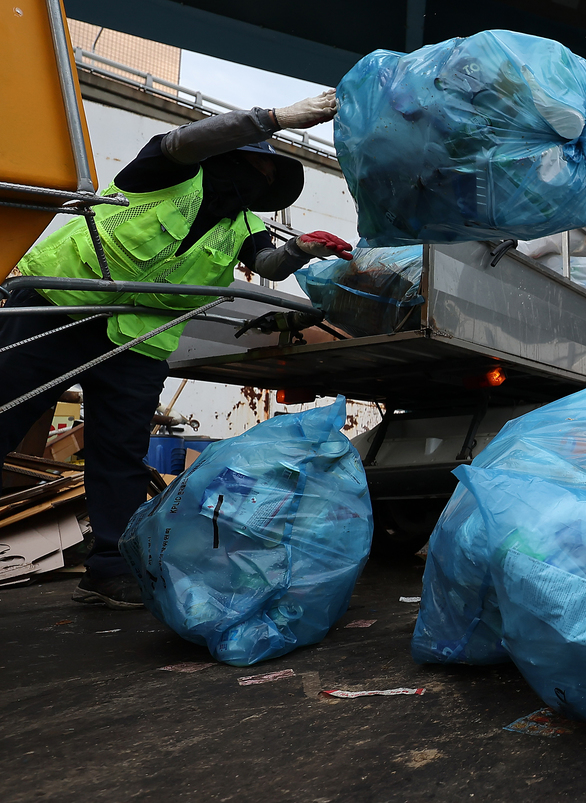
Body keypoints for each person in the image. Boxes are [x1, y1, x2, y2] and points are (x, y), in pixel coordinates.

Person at [0, 90, 356, 610]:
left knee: (119, 453)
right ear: (228, 156)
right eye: (256, 168)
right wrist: (278, 119)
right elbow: (185, 140)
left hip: (139, 341)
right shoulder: (167, 172)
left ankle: (107, 570)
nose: (259, 183)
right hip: (63, 303)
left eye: (267, 180)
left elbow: (270, 266)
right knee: (4, 417)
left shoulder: (243, 225)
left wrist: (302, 251)